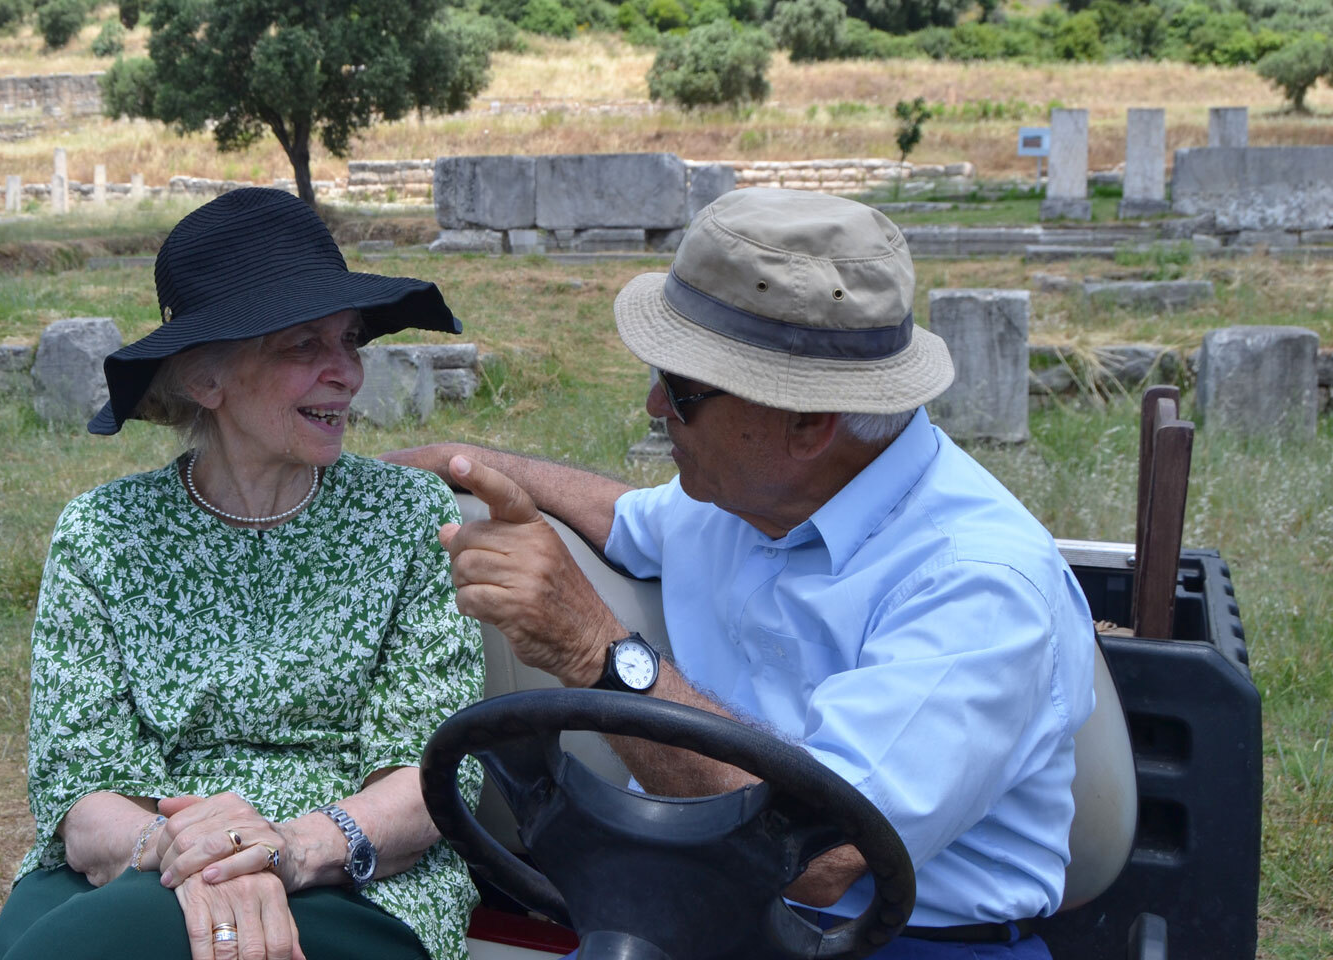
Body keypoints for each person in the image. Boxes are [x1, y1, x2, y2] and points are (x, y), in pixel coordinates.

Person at [385, 187, 1096, 959]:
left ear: (809, 425)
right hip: (676, 905)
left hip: (890, 941)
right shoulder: (750, 494)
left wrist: (598, 653)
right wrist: (457, 463)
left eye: (683, 390)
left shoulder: (979, 588)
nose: (656, 403)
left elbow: (815, 857)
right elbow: (628, 518)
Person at [0, 188, 485, 960]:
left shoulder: (407, 517)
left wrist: (284, 848)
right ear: (205, 380)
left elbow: (431, 773)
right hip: (131, 863)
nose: (345, 374)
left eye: (349, 340)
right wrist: (194, 854)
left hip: (358, 872)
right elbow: (80, 795)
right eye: (302, 346)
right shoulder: (105, 533)